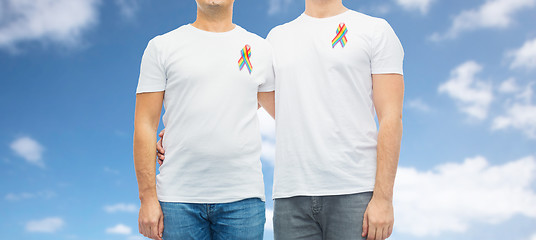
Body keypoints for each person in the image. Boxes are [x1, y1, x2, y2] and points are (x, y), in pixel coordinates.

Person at [157, 0, 404, 239]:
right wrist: (183, 128)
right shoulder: (276, 39)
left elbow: (391, 117)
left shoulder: (374, 30)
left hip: (355, 190)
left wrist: (383, 198)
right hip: (290, 195)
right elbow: (245, 96)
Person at [132, 0, 275, 239]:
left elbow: (283, 110)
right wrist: (147, 198)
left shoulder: (260, 48)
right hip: (177, 200)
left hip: (243, 199)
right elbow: (145, 124)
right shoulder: (162, 47)